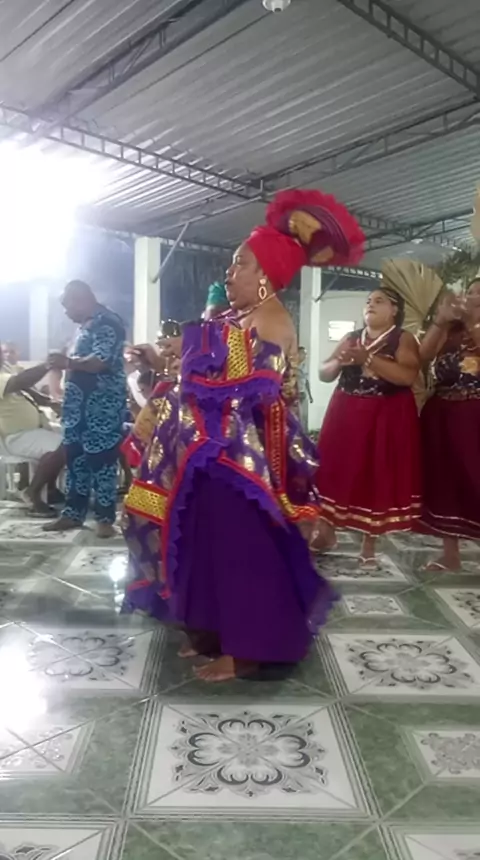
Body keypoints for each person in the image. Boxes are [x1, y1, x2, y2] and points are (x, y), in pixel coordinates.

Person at [122, 188, 365, 682]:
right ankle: (211, 632)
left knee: (241, 550)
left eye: (240, 264)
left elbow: (250, 385)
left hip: (249, 460)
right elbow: (204, 373)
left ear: (265, 275)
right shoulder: (235, 319)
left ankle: (248, 648)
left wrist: (192, 348)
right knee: (204, 541)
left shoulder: (272, 318)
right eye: (232, 264)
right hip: (214, 455)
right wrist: (166, 356)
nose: (230, 273)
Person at [313, 287, 421, 564]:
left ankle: (369, 544)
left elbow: (407, 376)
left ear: (394, 310)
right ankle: (326, 532)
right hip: (345, 411)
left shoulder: (403, 339)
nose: (370, 305)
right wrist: (339, 362)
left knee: (375, 471)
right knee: (334, 468)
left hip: (385, 413)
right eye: (368, 301)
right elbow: (323, 372)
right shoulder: (352, 338)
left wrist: (369, 359)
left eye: (379, 301)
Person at [44, 280, 126, 538]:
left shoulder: (108, 322)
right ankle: (73, 513)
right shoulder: (83, 327)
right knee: (75, 459)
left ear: (81, 299)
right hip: (77, 408)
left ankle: (104, 519)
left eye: (67, 305)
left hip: (101, 407)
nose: (66, 312)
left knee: (102, 460)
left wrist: (67, 362)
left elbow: (100, 362)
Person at [417, 281, 480, 570]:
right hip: (442, 412)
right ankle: (450, 554)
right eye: (471, 291)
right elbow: (423, 355)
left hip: (475, 413)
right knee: (444, 481)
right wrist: (440, 321)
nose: (473, 295)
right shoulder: (450, 329)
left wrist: (472, 322)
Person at [0, 346, 64, 515]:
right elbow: (19, 382)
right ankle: (32, 493)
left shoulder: (6, 372)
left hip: (33, 430)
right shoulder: (4, 378)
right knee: (63, 447)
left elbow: (27, 390)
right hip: (16, 437)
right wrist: (47, 364)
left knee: (72, 440)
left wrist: (49, 402)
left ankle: (50, 489)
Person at [297, 346, 313, 428]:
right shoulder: (293, 365)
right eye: (303, 353)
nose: (305, 356)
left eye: (306, 354)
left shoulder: (304, 366)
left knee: (304, 416)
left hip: (303, 393)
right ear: (298, 354)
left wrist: (310, 395)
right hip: (295, 393)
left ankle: (303, 432)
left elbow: (306, 381)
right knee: (299, 415)